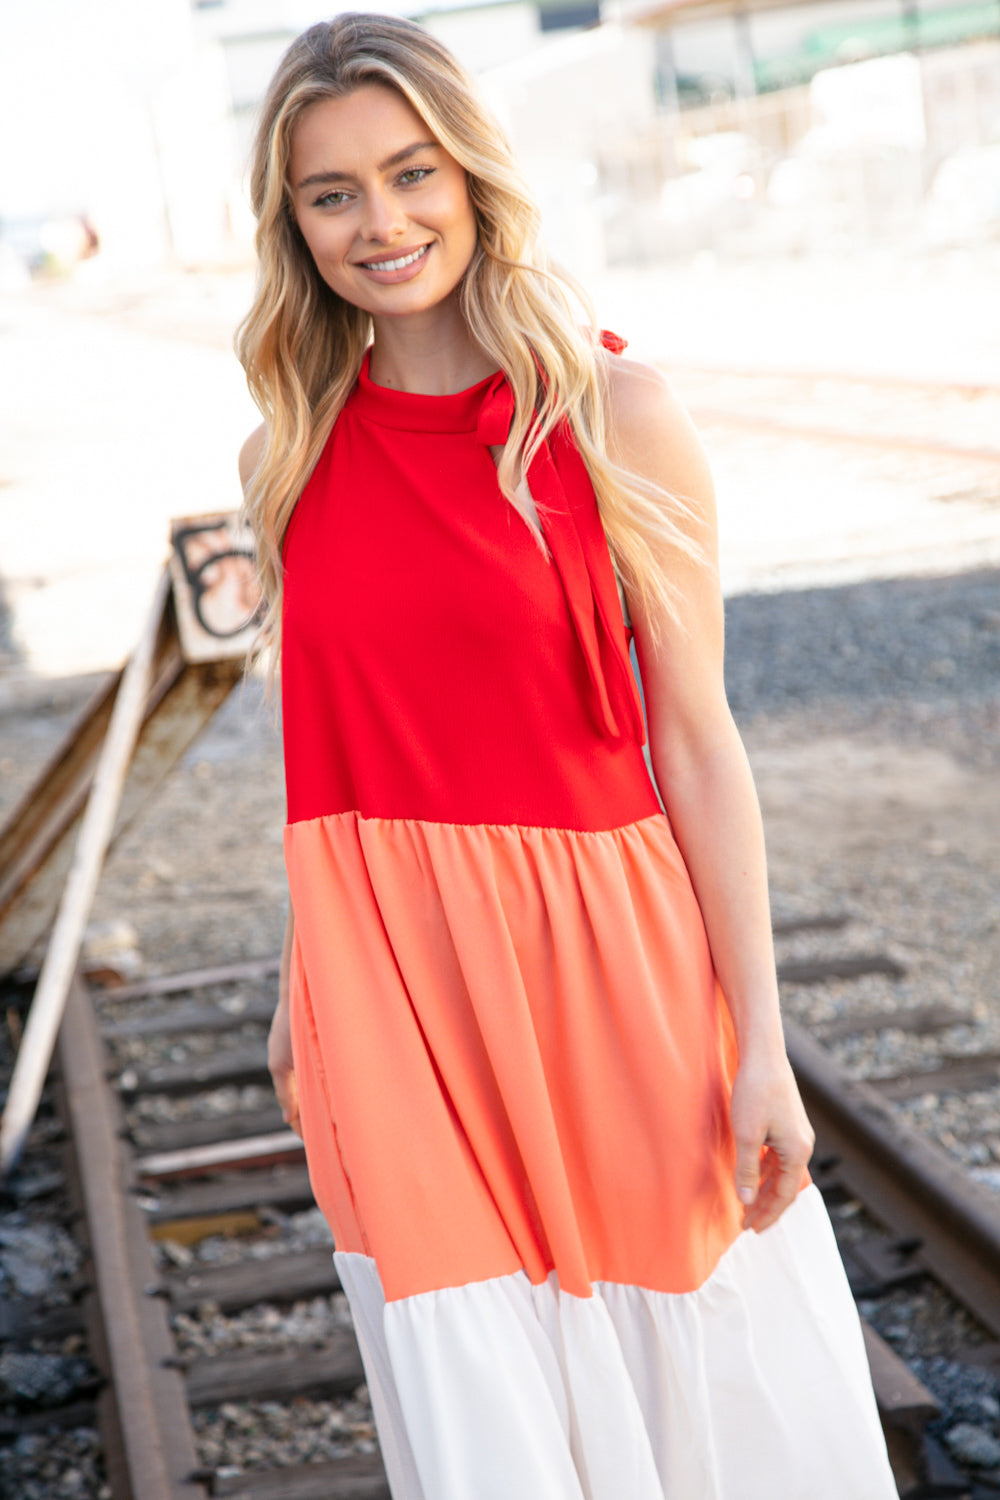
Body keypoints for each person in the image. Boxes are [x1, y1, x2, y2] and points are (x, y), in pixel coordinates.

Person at [237, 15, 897, 1497]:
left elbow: (698, 742)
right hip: (388, 985)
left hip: (607, 959)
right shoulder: (288, 451)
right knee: (475, 1391)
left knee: (687, 1356)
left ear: (471, 176)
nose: (380, 222)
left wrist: (761, 1040)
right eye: (332, 193)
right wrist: (301, 981)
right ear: (293, 223)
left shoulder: (614, 419)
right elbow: (332, 749)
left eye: (411, 173)